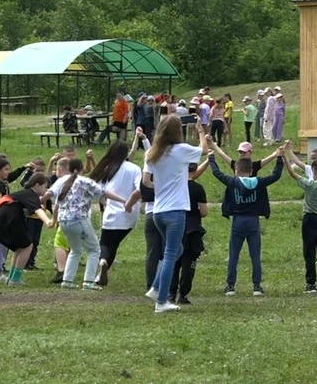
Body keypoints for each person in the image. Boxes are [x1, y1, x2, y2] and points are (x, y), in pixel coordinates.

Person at [140, 115, 208, 313]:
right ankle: (161, 301)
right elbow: (204, 150)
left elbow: (146, 181)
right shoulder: (182, 150)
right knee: (171, 253)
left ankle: (155, 288)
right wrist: (201, 130)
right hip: (176, 209)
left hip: (158, 211)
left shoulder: (152, 153)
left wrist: (160, 186)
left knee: (175, 250)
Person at [210, 148, 285, 296]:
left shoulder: (233, 182)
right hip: (253, 221)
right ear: (251, 171)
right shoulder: (259, 181)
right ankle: (257, 287)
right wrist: (279, 159)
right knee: (255, 255)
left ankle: (230, 286)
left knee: (234, 254)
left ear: (236, 170)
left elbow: (217, 173)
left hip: (238, 221)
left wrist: (212, 159)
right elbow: (276, 175)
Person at [47, 158, 126, 291]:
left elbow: (50, 194)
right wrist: (123, 200)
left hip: (64, 222)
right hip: (79, 219)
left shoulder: (61, 181)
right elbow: (103, 192)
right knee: (94, 250)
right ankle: (88, 281)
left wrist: (43, 200)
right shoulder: (84, 181)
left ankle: (67, 280)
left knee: (75, 249)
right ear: (80, 169)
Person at [0, 173, 55, 285]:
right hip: (7, 218)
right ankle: (15, 279)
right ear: (37, 185)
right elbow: (37, 210)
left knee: (21, 247)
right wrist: (48, 221)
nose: (47, 189)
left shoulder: (26, 193)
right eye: (46, 187)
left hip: (1, 217)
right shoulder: (31, 194)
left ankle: (12, 278)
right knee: (27, 246)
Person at [87, 140, 142, 287]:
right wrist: (130, 203)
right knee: (114, 244)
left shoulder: (108, 168)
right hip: (130, 214)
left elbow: (99, 192)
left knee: (105, 244)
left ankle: (102, 263)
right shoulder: (135, 168)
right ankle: (101, 275)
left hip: (112, 213)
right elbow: (139, 189)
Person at [283, 154, 317, 293]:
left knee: (309, 252)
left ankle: (310, 283)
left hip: (310, 220)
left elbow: (293, 174)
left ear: (314, 171)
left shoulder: (310, 185)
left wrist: (284, 158)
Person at [169, 162, 209, 304]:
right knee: (189, 262)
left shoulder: (174, 186)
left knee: (173, 261)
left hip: (176, 226)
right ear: (195, 170)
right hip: (192, 228)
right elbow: (204, 212)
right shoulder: (198, 188)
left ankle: (171, 292)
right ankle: (183, 294)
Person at [19, 157, 47, 270]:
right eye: (37, 171)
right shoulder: (30, 184)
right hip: (29, 216)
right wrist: (29, 171)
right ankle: (24, 262)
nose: (39, 173)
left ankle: (31, 262)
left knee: (35, 240)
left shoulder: (43, 184)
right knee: (28, 240)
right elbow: (23, 182)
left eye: (42, 171)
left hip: (39, 217)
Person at [207, 138, 277, 178]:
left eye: (244, 152)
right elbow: (222, 154)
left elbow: (270, 157)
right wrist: (212, 144)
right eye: (240, 152)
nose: (242, 154)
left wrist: (277, 153)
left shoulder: (255, 165)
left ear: (250, 152)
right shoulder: (235, 164)